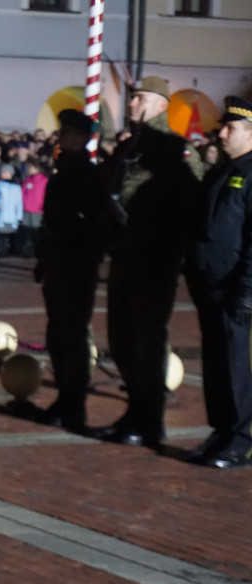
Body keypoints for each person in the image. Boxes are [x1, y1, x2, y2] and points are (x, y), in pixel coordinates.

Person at [92, 76, 203, 449]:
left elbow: (193, 202)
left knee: (148, 342)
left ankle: (150, 420)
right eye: (132, 97)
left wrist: (172, 247)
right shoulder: (131, 146)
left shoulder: (174, 148)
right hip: (125, 256)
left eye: (140, 98)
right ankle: (134, 413)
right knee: (121, 340)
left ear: (160, 104)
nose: (132, 104)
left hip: (155, 259)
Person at [184, 97, 252, 469]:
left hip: (234, 288)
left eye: (231, 128)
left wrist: (246, 291)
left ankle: (242, 439)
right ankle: (222, 430)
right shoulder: (222, 170)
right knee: (216, 362)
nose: (221, 133)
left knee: (238, 365)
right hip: (209, 284)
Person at [35, 110, 103, 432]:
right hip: (57, 263)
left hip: (75, 265)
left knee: (73, 336)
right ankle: (64, 398)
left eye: (68, 132)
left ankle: (75, 405)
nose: (61, 137)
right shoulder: (63, 173)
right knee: (58, 335)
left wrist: (78, 256)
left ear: (81, 138)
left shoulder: (87, 176)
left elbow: (90, 225)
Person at [0, 164, 22, 256]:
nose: (5, 174)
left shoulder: (16, 187)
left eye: (7, 172)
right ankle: (1, 251)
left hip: (12, 215)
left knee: (11, 234)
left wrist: (19, 216)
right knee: (1, 234)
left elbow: (18, 202)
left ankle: (10, 251)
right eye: (3, 172)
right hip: (1, 215)